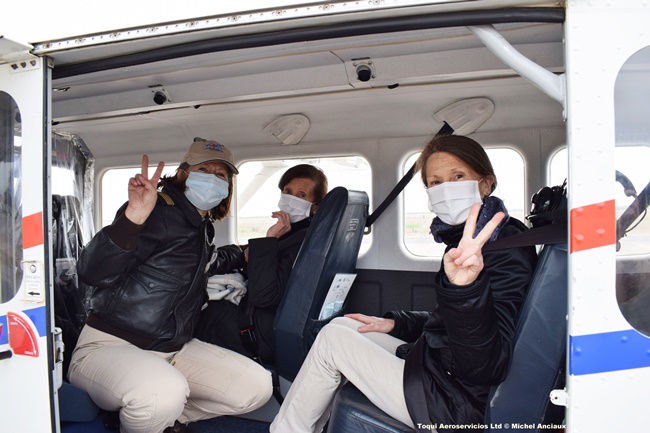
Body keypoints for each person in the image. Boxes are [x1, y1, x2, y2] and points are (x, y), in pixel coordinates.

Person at [269, 135, 538, 433]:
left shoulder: (503, 248)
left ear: (486, 184)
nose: (446, 189)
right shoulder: (468, 241)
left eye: (458, 177)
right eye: (435, 182)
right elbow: (452, 322)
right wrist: (396, 323)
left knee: (333, 341)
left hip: (456, 403)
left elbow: (486, 365)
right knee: (341, 326)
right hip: (441, 372)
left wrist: (464, 289)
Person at [68, 139, 272, 433]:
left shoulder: (200, 226)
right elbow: (92, 271)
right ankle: (148, 410)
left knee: (255, 387)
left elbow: (205, 263)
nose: (213, 178)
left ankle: (149, 418)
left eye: (221, 174)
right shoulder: (156, 211)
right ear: (183, 173)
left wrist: (243, 253)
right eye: (204, 170)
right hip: (109, 345)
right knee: (163, 392)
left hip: (170, 350)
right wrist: (134, 216)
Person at [194, 164, 328, 363]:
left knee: (193, 309)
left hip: (257, 330)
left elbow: (264, 296)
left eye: (301, 195)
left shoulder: (303, 241)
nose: (291, 199)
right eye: (288, 191)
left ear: (315, 206)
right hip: (261, 319)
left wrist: (270, 239)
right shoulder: (292, 233)